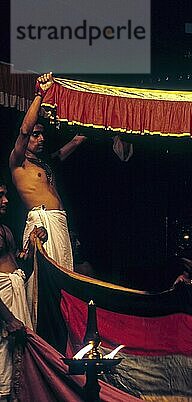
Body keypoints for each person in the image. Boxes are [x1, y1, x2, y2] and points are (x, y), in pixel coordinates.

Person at [9, 72, 87, 271]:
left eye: (42, 134)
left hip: (59, 223)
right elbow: (24, 131)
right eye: (36, 135)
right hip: (42, 226)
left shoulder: (45, 162)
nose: (41, 138)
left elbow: (73, 143)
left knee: (63, 280)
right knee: (44, 282)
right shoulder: (18, 162)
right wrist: (39, 95)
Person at [0, 177, 47, 399]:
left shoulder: (5, 230)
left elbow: (20, 268)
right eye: (0, 195)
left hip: (14, 304)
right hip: (3, 312)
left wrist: (33, 242)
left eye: (5, 194)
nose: (6, 200)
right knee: (3, 369)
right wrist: (8, 318)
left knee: (18, 367)